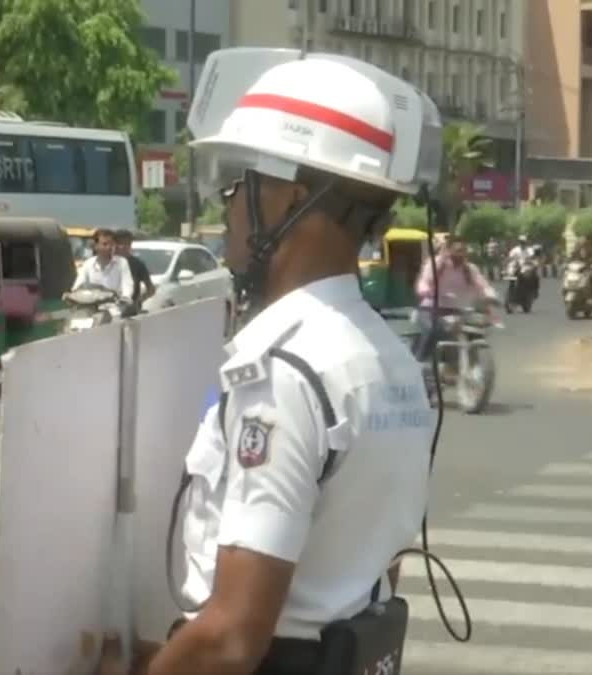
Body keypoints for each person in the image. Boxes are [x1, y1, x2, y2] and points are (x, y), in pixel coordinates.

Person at [99, 53, 438, 675]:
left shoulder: (286, 371)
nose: (228, 208)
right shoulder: (390, 363)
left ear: (289, 199)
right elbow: (369, 568)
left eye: (240, 185)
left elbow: (232, 639)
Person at [412, 236, 498, 361]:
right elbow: (423, 282)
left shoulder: (469, 269)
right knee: (431, 330)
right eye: (457, 250)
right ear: (447, 250)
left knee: (476, 330)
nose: (460, 254)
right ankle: (419, 362)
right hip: (431, 310)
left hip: (458, 311)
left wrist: (491, 296)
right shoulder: (435, 264)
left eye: (463, 250)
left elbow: (483, 286)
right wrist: (426, 291)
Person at [69, 228, 134, 299]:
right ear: (95, 246)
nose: (109, 247)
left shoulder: (122, 262)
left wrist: (126, 297)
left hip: (115, 305)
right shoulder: (88, 263)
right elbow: (78, 285)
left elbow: (127, 285)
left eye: (112, 244)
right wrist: (73, 294)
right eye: (105, 244)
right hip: (91, 305)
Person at [114, 229, 156, 312]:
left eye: (127, 243)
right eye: (120, 243)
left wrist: (139, 301)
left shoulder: (137, 264)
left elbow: (150, 289)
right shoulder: (108, 262)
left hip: (130, 311)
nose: (123, 247)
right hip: (109, 309)